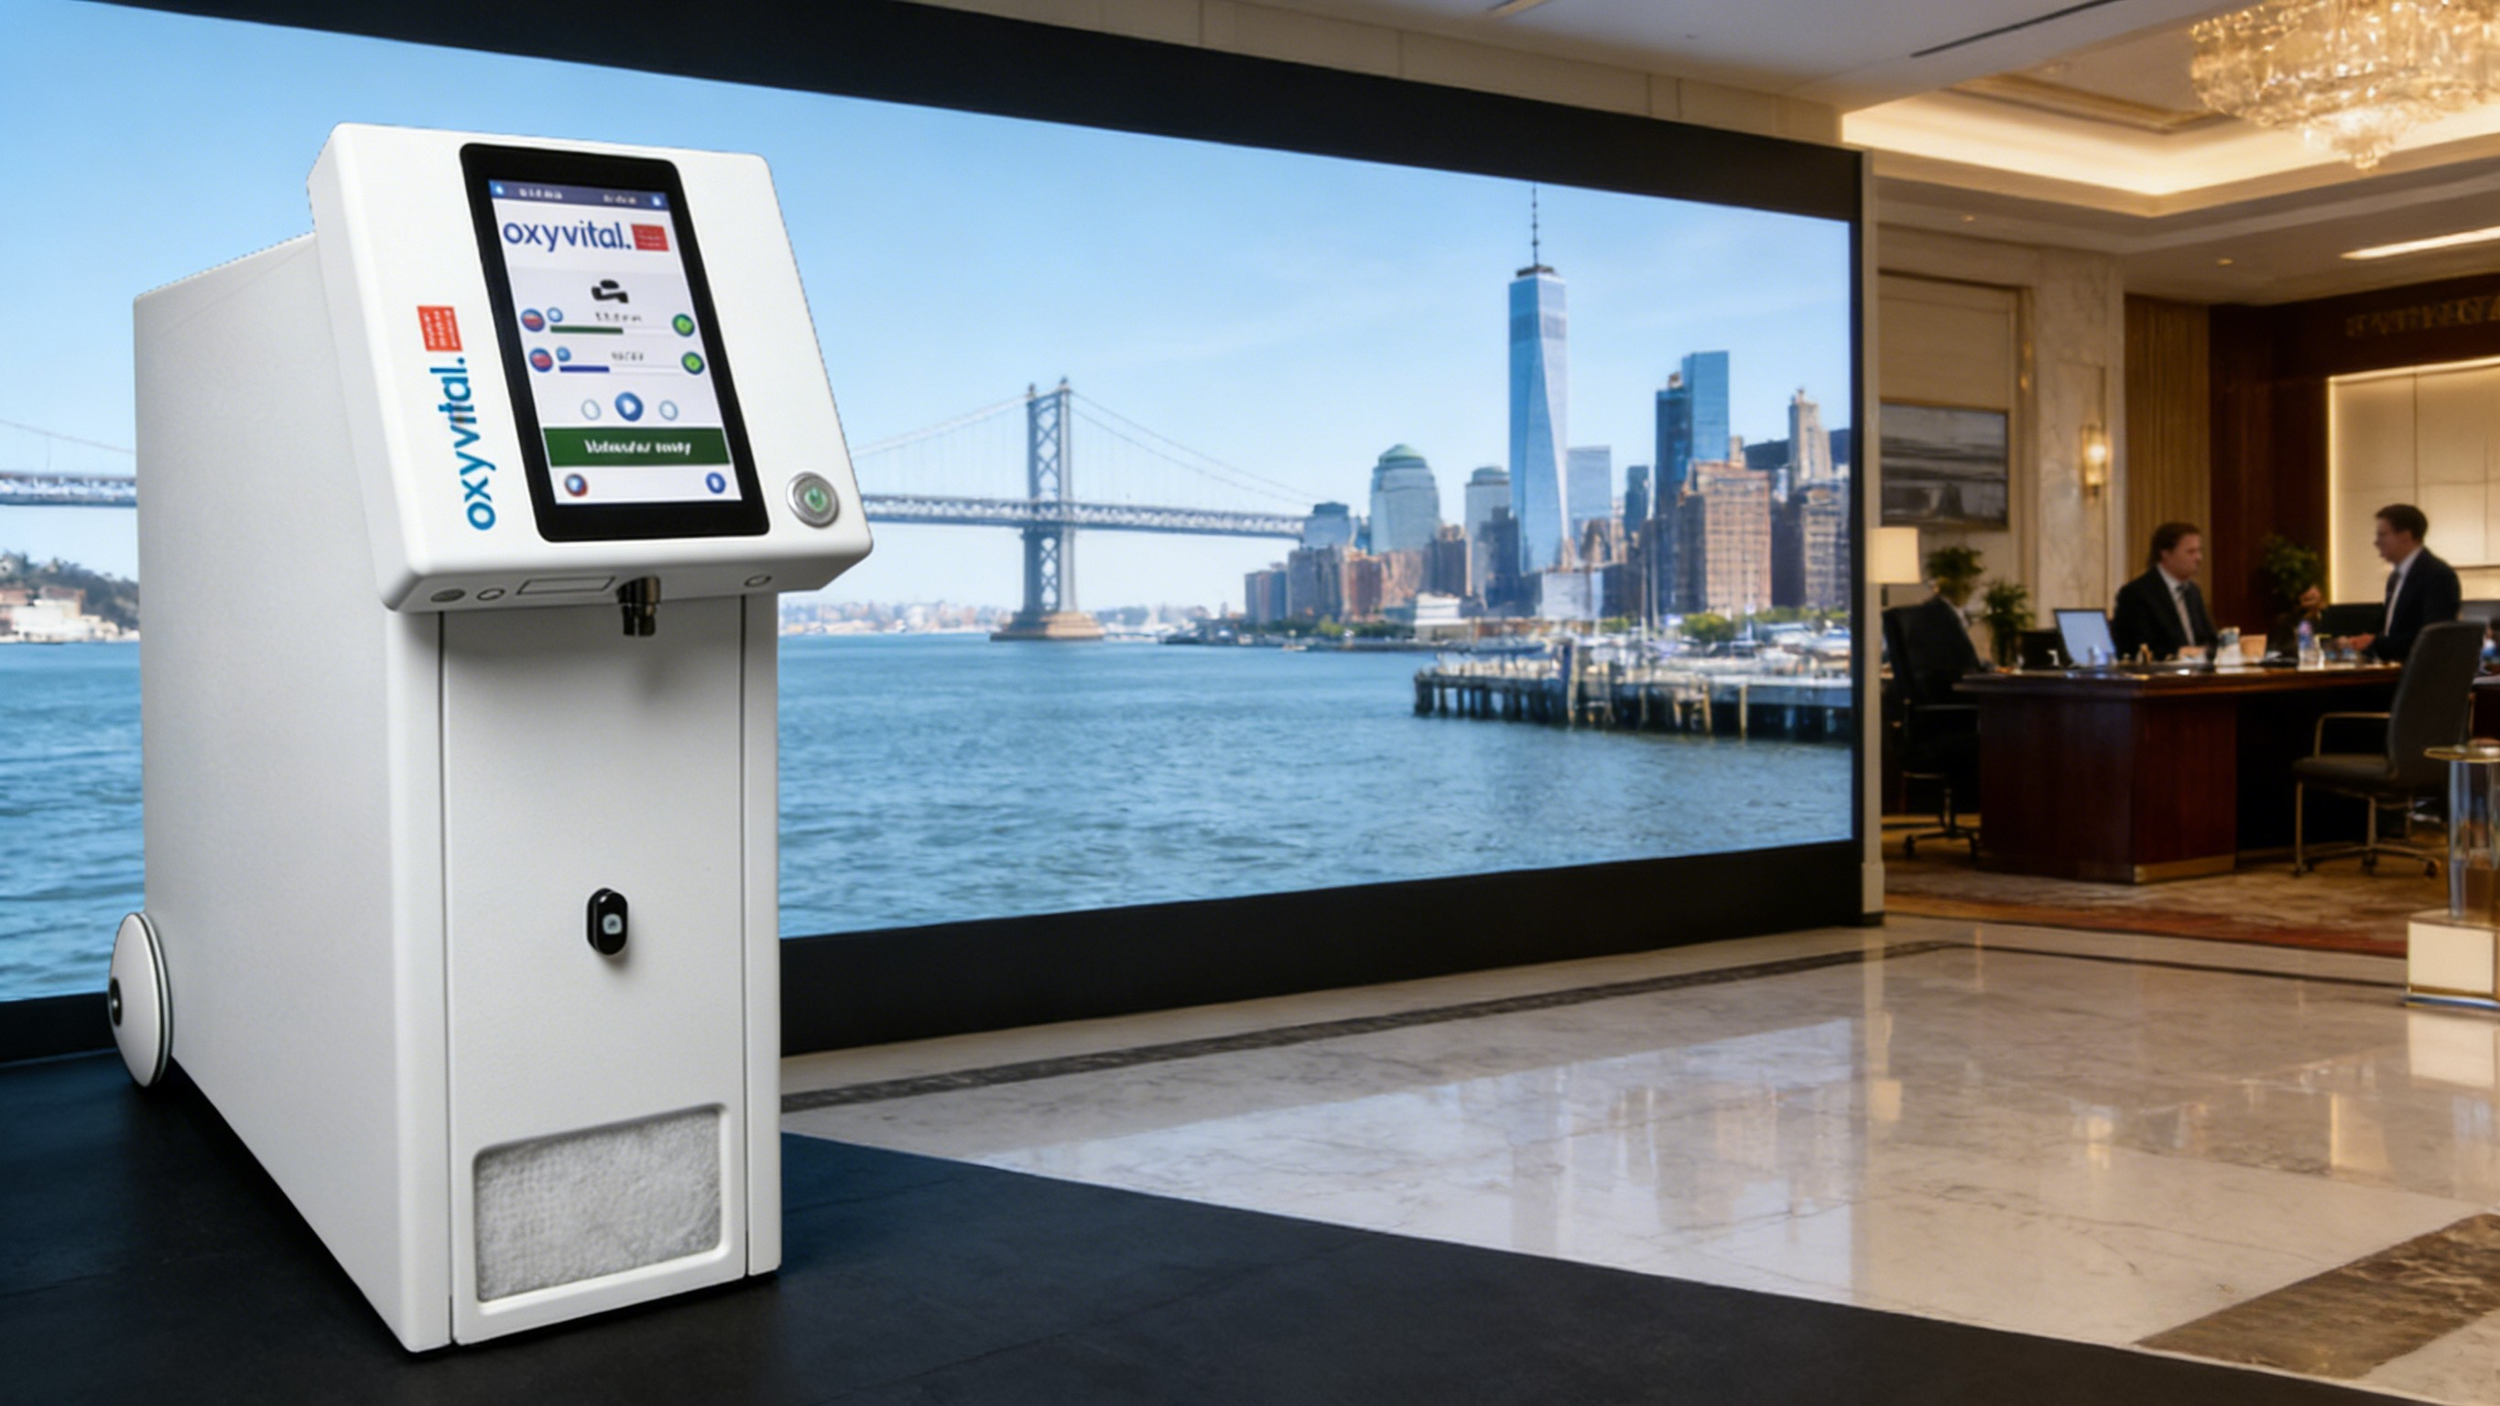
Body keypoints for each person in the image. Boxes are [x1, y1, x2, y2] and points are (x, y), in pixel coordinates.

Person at [2343, 502, 2460, 664]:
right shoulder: (2395, 578)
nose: (2376, 542)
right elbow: (2393, 630)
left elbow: (2432, 637)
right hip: (2395, 670)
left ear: (2405, 535)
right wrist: (2370, 640)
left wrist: (2375, 642)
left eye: (2382, 535)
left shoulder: (2437, 575)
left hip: (2421, 675)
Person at [2111, 522, 2217, 661]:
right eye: (2191, 552)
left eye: (2199, 551)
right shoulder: (2136, 594)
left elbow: (2211, 639)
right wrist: (2179, 654)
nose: (2199, 558)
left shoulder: (2192, 591)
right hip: (2161, 677)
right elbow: (2136, 648)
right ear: (2165, 553)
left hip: (2199, 676)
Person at [2266, 583, 2324, 658]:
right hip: (2292, 664)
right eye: (2308, 597)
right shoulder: (2286, 621)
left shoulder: (2326, 618)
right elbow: (2273, 652)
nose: (2311, 593)